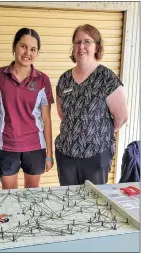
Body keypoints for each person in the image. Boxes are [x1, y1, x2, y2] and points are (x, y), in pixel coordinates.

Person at [55, 24, 128, 186]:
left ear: (97, 47)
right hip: (66, 154)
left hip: (96, 155)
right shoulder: (64, 79)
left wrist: (97, 132)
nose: (81, 47)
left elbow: (121, 118)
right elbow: (62, 114)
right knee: (69, 201)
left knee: (93, 202)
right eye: (77, 42)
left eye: (87, 41)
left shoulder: (107, 78)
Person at [0, 27, 54, 189]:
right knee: (9, 196)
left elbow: (46, 119)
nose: (27, 53)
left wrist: (49, 154)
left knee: (31, 197)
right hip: (6, 146)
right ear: (14, 47)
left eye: (33, 49)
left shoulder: (42, 80)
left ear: (37, 53)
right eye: (23, 46)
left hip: (35, 147)